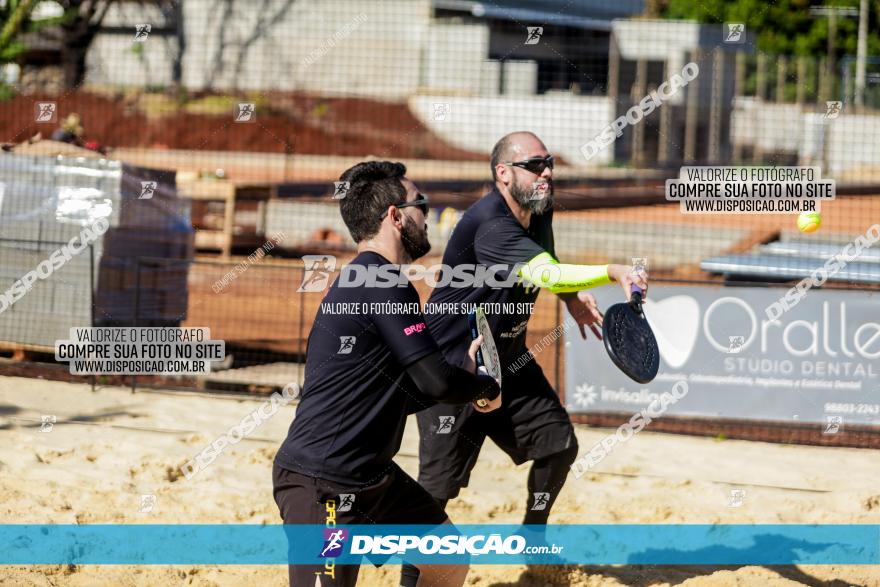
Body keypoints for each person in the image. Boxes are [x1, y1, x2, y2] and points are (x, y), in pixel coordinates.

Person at [401, 131, 649, 586]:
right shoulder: (490, 224)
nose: (547, 172)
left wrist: (571, 298)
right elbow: (545, 269)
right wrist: (612, 271)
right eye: (535, 165)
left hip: (508, 359)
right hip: (455, 369)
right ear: (503, 174)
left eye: (549, 163)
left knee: (558, 445)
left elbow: (546, 260)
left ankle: (532, 530)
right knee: (435, 493)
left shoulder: (538, 207)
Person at [273, 160, 501, 587]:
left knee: (448, 561)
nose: (427, 214)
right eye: (421, 204)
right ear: (395, 216)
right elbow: (436, 381)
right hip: (323, 482)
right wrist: (483, 387)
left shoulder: (368, 279)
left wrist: (464, 379)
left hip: (372, 477)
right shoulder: (381, 282)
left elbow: (407, 390)